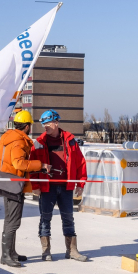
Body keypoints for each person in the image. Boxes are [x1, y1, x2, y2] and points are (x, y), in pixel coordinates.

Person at [0, 110, 48, 268]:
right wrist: (40, 165)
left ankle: (11, 252)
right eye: (30, 126)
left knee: (10, 220)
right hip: (13, 184)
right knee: (13, 222)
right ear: (27, 126)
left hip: (4, 181)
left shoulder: (7, 137)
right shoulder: (19, 141)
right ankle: (6, 255)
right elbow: (19, 164)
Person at [31, 110, 89, 262]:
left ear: (56, 122)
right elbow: (33, 167)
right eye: (43, 124)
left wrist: (80, 182)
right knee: (45, 218)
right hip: (47, 187)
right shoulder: (39, 143)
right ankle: (46, 251)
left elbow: (80, 162)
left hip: (65, 187)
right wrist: (35, 185)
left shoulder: (70, 140)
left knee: (68, 218)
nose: (45, 126)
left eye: (47, 123)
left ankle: (72, 250)